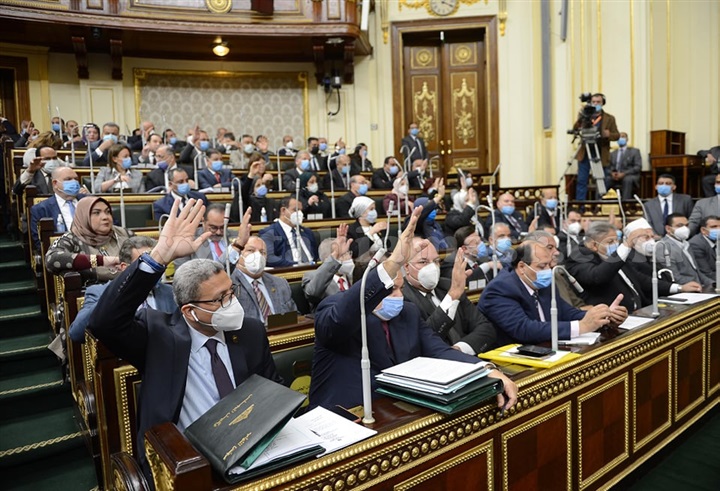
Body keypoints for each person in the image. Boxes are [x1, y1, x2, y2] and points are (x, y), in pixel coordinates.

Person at [87, 198, 280, 485]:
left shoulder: (249, 330)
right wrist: (158, 256)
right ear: (190, 311)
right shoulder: (159, 335)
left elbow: (274, 391)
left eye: (232, 292)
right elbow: (103, 322)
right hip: (187, 460)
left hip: (252, 452)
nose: (232, 303)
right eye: (220, 299)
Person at [309, 206, 517, 411]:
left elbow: (440, 351)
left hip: (396, 411)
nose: (399, 296)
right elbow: (343, 317)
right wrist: (393, 263)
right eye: (390, 290)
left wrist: (486, 370)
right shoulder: (333, 308)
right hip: (342, 415)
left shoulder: (408, 312)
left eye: (400, 288)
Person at [479, 240, 625, 346]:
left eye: (549, 265)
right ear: (522, 267)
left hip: (546, 348)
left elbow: (567, 313)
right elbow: (524, 329)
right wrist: (581, 326)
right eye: (542, 266)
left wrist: (603, 316)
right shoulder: (500, 289)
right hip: (512, 360)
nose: (548, 271)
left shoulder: (542, 283)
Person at [69, 236, 176, 343]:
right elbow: (76, 334)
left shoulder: (169, 292)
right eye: (146, 264)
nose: (153, 269)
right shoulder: (99, 292)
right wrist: (115, 296)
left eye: (156, 264)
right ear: (125, 268)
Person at [402, 239, 497, 354]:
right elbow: (424, 340)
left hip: (467, 357)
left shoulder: (447, 285)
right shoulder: (403, 297)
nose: (432, 267)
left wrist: (460, 349)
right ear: (406, 267)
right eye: (423, 262)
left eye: (436, 261)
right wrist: (452, 296)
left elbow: (486, 328)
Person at [45, 196, 133, 284]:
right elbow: (51, 259)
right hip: (96, 290)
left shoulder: (123, 233)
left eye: (108, 212)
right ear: (84, 216)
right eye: (97, 213)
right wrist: (103, 261)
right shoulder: (72, 238)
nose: (105, 217)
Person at [231, 236, 297, 324]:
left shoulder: (280, 283)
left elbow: (294, 316)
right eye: (251, 250)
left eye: (262, 252)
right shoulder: (230, 284)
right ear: (238, 254)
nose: (258, 256)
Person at [573, 93, 620, 201]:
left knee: (602, 180)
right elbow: (575, 128)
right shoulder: (585, 115)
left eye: (598, 102)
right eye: (593, 102)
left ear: (603, 103)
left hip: (601, 152)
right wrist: (581, 117)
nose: (595, 104)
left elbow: (617, 135)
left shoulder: (609, 118)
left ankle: (600, 203)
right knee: (582, 180)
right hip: (585, 152)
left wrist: (608, 134)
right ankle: (580, 205)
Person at [173, 205, 250, 271]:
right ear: (203, 221)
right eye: (213, 228)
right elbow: (182, 275)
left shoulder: (238, 237)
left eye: (222, 227)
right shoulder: (187, 240)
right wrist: (236, 247)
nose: (218, 232)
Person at [302, 225, 354, 311]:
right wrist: (335, 254)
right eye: (342, 255)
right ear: (328, 259)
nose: (349, 258)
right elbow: (312, 294)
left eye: (348, 253)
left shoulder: (354, 275)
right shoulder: (312, 276)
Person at [29, 167, 83, 248]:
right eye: (68, 179)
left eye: (76, 179)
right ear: (55, 183)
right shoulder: (41, 209)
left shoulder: (89, 201)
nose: (74, 182)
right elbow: (41, 244)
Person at [259, 196, 319, 267]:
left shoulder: (307, 232)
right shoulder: (269, 233)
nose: (300, 213)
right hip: (289, 270)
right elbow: (269, 258)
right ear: (283, 210)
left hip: (313, 269)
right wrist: (296, 265)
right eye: (295, 210)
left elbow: (316, 256)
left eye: (301, 210)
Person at [660, 213, 714, 288]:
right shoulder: (663, 247)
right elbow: (673, 277)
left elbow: (697, 272)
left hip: (699, 286)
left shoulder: (686, 244)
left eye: (686, 225)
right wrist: (698, 285)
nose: (684, 228)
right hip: (685, 289)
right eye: (680, 225)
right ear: (668, 229)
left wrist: (713, 284)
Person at [605, 132, 642, 198]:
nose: (621, 138)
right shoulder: (612, 153)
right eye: (619, 137)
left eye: (623, 137)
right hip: (615, 176)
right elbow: (608, 167)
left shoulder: (635, 151)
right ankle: (599, 202)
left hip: (629, 175)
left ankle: (625, 202)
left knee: (627, 180)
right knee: (604, 180)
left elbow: (638, 167)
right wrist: (612, 173)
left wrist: (624, 173)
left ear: (627, 139)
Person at [688, 215, 720, 282]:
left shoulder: (717, 240)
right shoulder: (696, 244)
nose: (718, 229)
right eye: (714, 227)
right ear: (703, 230)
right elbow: (706, 273)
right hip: (707, 282)